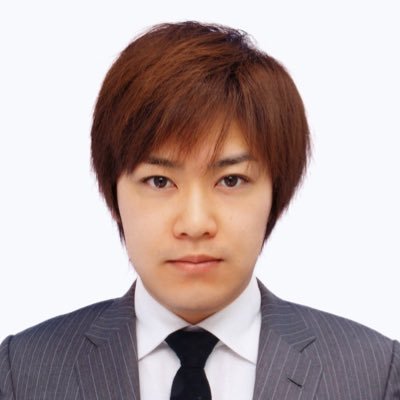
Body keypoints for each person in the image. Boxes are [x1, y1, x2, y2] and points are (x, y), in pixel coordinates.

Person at [0, 21, 399, 400]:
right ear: (113, 192)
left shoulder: (372, 372)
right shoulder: (24, 370)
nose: (195, 224)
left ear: (276, 193)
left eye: (231, 180)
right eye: (159, 181)